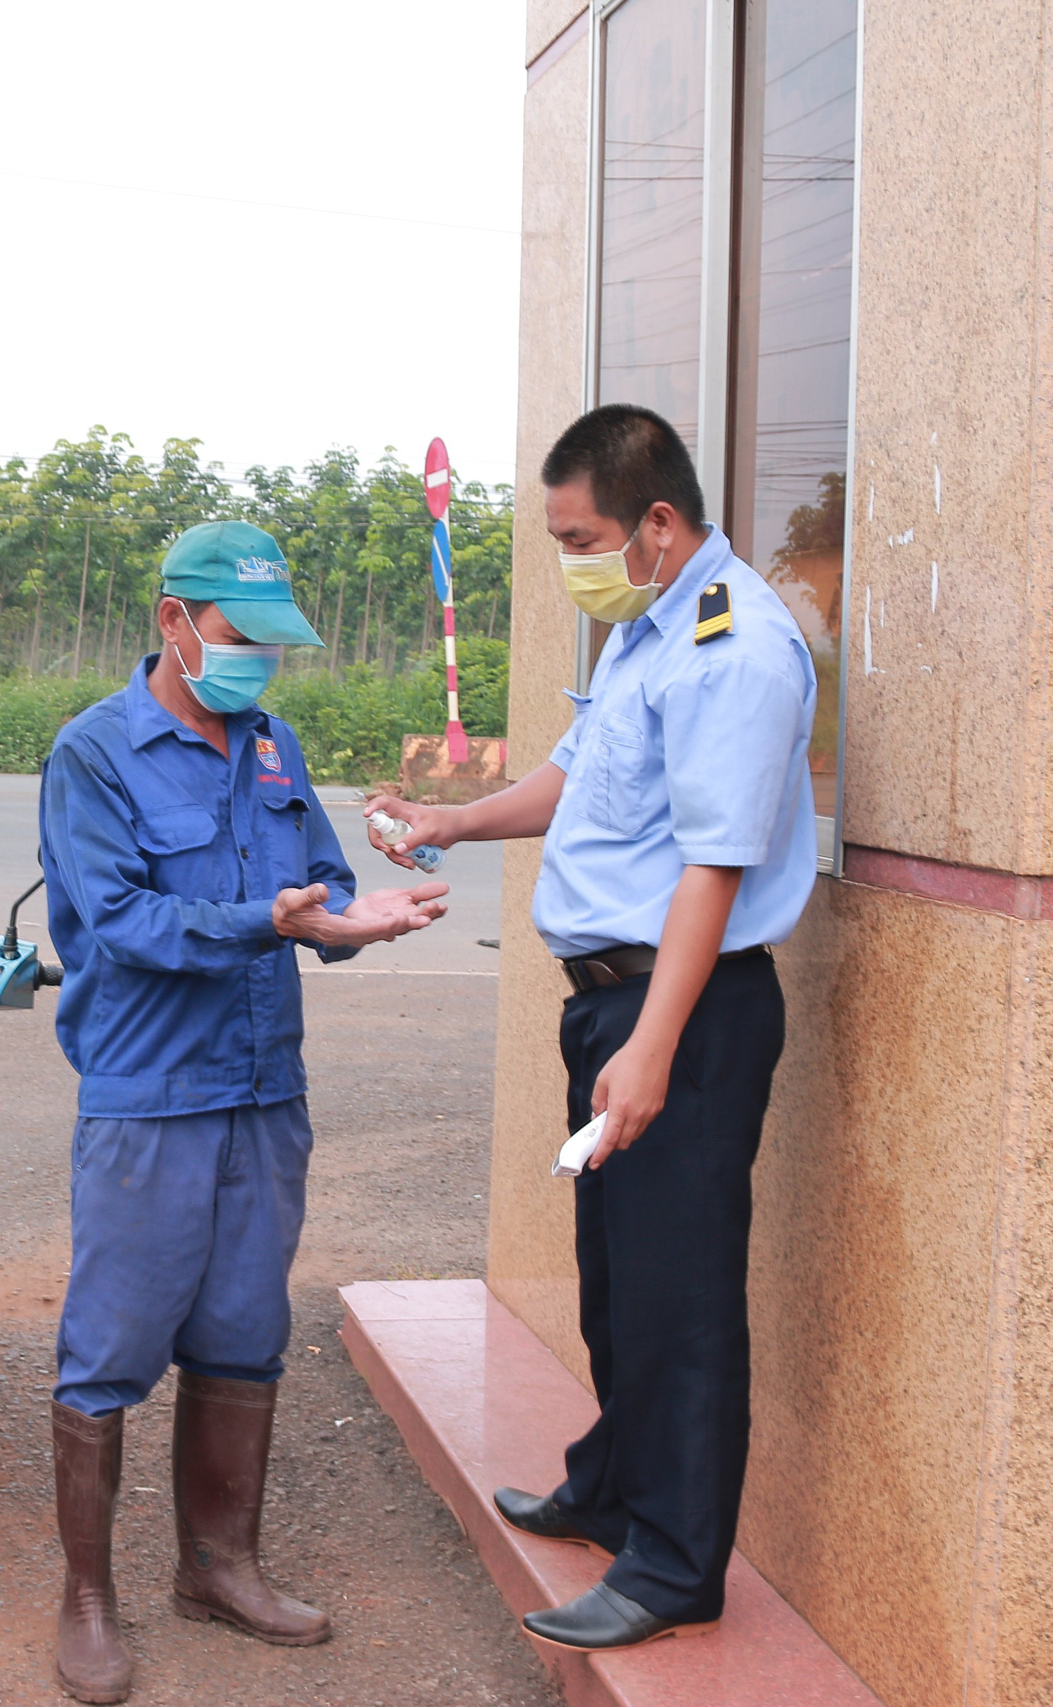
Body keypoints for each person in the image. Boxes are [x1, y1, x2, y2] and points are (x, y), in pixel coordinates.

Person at [363, 404, 816, 1653]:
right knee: (619, 1286)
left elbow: (712, 873)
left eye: (580, 536)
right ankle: (614, 1490)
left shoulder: (733, 651)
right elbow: (578, 773)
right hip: (614, 1005)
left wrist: (654, 1045)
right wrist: (453, 821)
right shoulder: (645, 629)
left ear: (657, 526)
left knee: (680, 1299)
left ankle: (674, 1564)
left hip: (687, 1011)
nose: (570, 558)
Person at [36, 520, 450, 1704]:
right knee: (110, 1349)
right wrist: (269, 922)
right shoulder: (98, 753)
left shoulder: (274, 745)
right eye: (239, 635)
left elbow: (317, 886)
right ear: (174, 622)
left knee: (242, 1331)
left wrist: (356, 921)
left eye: (274, 641)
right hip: (150, 1095)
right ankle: (87, 1598)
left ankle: (218, 1567)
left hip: (264, 1092)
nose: (260, 660)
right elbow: (119, 924)